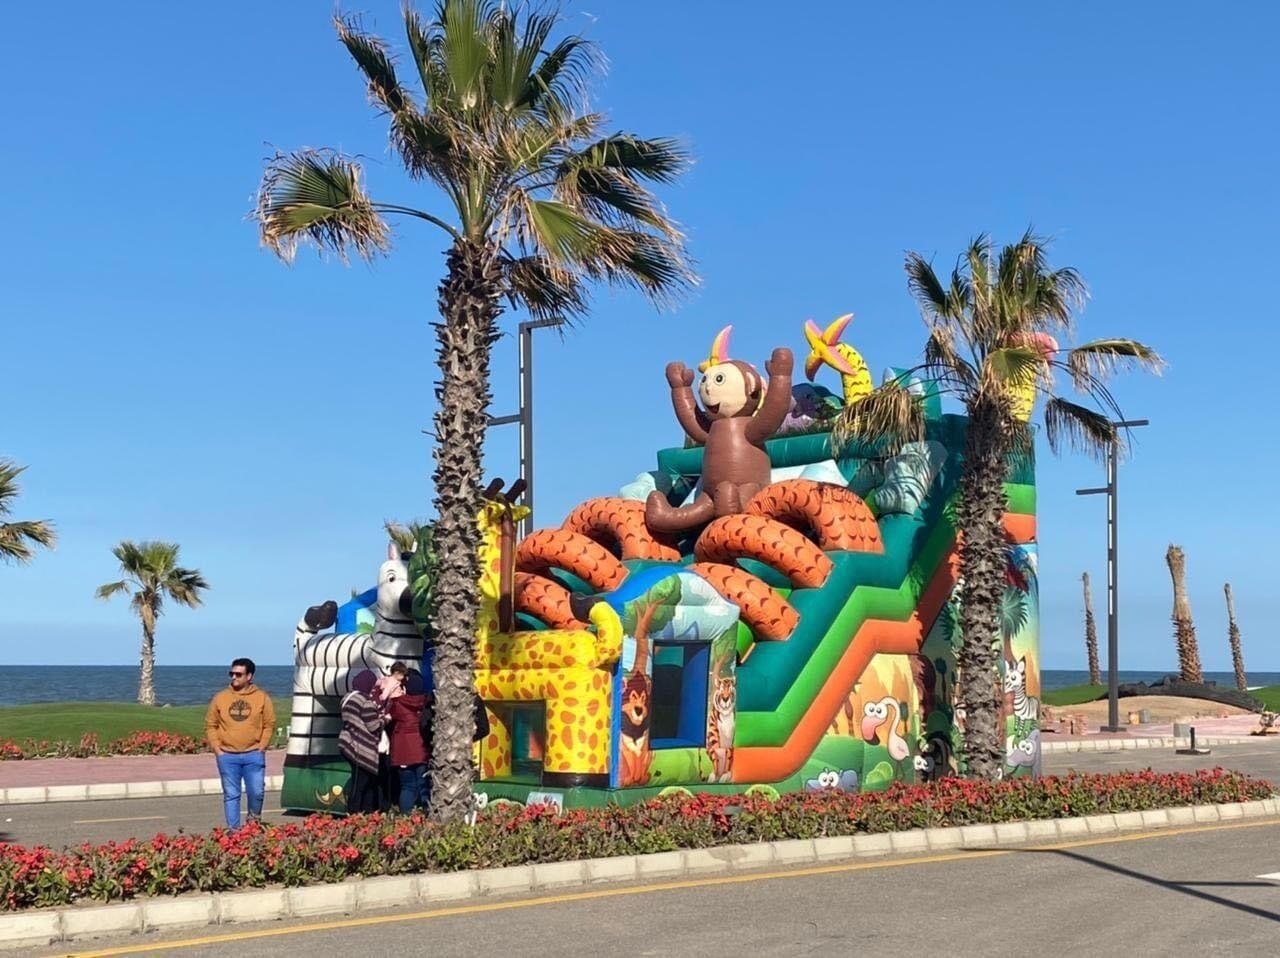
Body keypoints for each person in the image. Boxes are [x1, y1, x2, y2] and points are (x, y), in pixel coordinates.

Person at [205, 657, 275, 829]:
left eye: (238, 674)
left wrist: (262, 746)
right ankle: (233, 831)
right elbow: (210, 724)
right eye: (232, 674)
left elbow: (269, 724)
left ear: (249, 676)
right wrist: (217, 748)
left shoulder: (261, 697)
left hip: (253, 754)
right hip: (227, 755)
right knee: (231, 794)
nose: (234, 677)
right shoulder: (221, 698)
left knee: (256, 792)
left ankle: (253, 824)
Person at [338, 670, 386, 814]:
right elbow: (373, 726)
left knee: (358, 781)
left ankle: (359, 814)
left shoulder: (347, 698)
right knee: (362, 784)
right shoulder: (366, 702)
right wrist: (384, 720)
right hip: (361, 748)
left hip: (347, 742)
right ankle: (358, 813)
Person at [388, 670, 429, 812]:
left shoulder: (398, 704)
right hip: (421, 750)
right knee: (424, 784)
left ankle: (405, 816)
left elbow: (388, 717)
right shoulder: (426, 703)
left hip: (403, 752)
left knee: (407, 786)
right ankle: (426, 813)